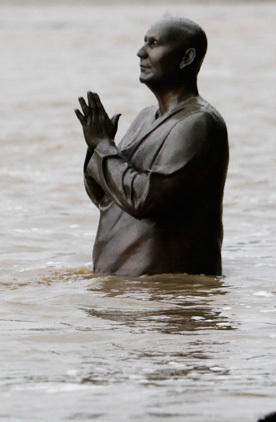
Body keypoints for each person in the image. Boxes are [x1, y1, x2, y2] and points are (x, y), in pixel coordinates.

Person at [75, 17, 229, 277]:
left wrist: (104, 146)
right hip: (124, 295)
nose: (141, 52)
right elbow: (106, 199)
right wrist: (96, 148)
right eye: (144, 42)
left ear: (186, 58)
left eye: (153, 44)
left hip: (165, 302)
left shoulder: (198, 123)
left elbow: (144, 200)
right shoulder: (145, 118)